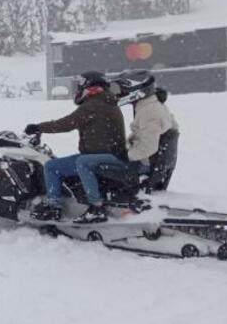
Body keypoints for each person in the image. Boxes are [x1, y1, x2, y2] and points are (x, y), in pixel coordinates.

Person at [25, 71, 127, 224]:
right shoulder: (108, 102)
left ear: (90, 85)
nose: (79, 88)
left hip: (97, 157)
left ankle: (58, 207)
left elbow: (66, 124)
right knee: (67, 163)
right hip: (108, 154)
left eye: (81, 84)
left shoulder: (93, 105)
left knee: (52, 167)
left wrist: (38, 127)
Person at [114, 71, 179, 172]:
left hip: (142, 163)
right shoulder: (152, 105)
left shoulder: (149, 112)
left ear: (136, 91)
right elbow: (143, 135)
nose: (120, 93)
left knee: (89, 162)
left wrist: (126, 156)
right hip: (144, 160)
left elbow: (149, 147)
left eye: (124, 90)